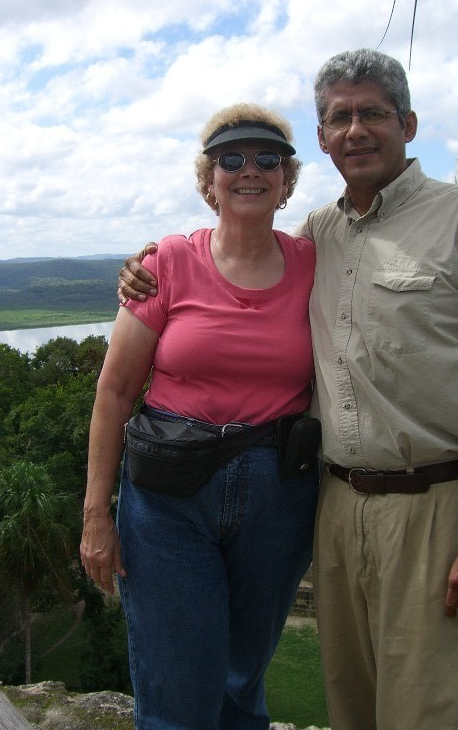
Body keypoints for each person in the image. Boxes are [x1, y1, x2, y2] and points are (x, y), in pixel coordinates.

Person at [118, 49, 458, 730]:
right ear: (321, 140)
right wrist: (146, 264)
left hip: (434, 508)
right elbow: (234, 252)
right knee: (354, 706)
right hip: (334, 505)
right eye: (340, 117)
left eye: (372, 112)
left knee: (426, 711)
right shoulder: (320, 233)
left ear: (406, 122)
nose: (356, 129)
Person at [80, 103, 320, 730]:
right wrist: (95, 516)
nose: (249, 170)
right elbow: (114, 391)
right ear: (207, 179)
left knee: (243, 679)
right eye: (230, 159)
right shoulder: (166, 264)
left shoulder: (318, 265)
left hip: (277, 493)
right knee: (173, 682)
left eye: (267, 158)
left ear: (287, 179)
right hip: (168, 497)